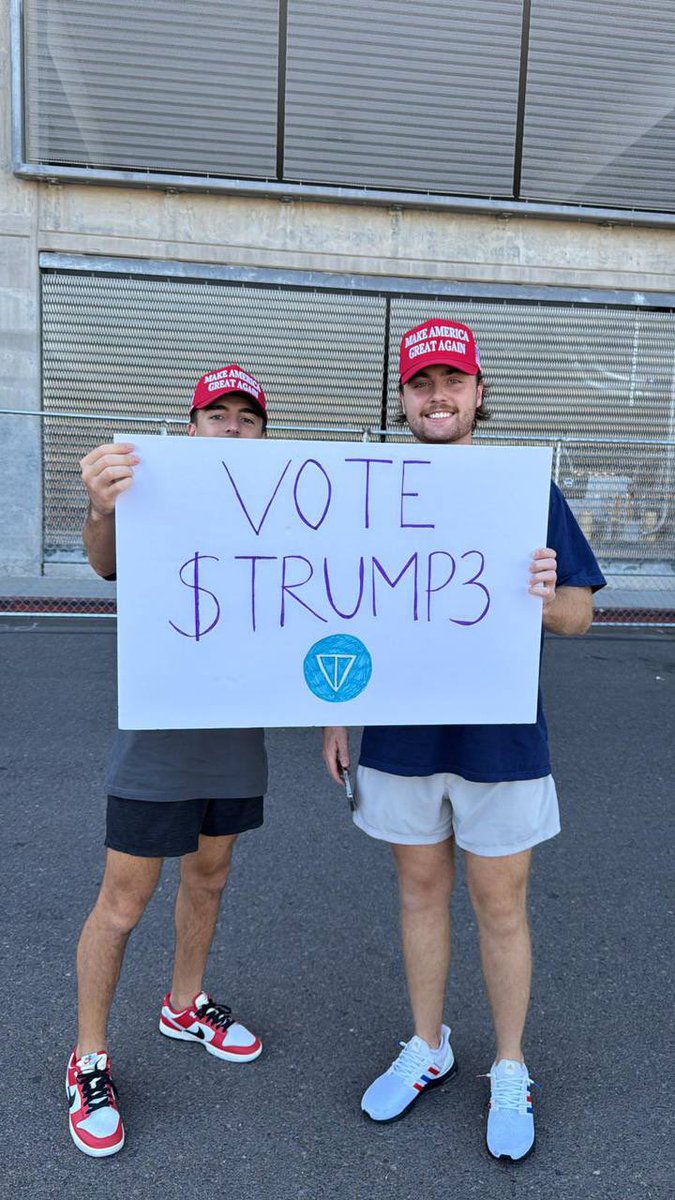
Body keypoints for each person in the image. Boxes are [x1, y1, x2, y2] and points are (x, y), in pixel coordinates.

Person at [323, 320, 605, 1163]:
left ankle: (509, 1063)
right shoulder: (369, 486)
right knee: (417, 888)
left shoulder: (523, 486)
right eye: (420, 383)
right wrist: (334, 712)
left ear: (480, 392)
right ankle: (428, 1045)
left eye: (452, 381)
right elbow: (340, 602)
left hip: (500, 732)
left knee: (499, 901)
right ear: (402, 399)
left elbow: (579, 617)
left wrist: (544, 594)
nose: (435, 396)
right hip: (400, 729)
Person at [67, 365, 269, 1158]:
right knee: (122, 901)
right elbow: (104, 560)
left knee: (210, 876)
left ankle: (185, 1002)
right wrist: (99, 503)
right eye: (215, 414)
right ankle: (88, 1058)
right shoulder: (150, 485)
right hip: (158, 731)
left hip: (238, 733)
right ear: (188, 427)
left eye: (246, 419)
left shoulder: (280, 504)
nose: (230, 428)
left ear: (262, 434)